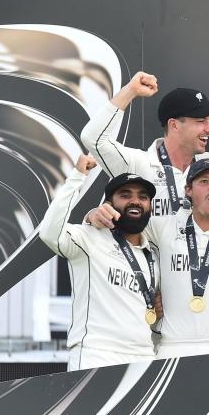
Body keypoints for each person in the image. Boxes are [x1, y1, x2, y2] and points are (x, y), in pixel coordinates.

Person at [89, 158, 209, 358]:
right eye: (204, 182)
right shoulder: (161, 226)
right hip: (174, 348)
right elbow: (125, 220)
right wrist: (91, 215)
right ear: (188, 190)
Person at [41, 155, 159, 370]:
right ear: (108, 205)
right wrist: (77, 177)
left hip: (143, 355)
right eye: (125, 195)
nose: (135, 201)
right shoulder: (87, 238)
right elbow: (49, 233)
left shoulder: (151, 254)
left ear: (150, 206)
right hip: (96, 353)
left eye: (143, 196)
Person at [80, 71, 209, 216]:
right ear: (174, 125)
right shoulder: (136, 163)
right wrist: (131, 90)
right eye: (201, 121)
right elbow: (92, 138)